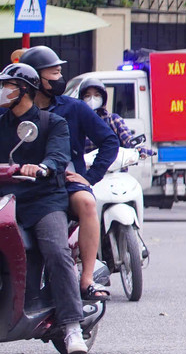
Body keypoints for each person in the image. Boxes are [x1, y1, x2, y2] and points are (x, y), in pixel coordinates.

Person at [0, 63, 86, 354]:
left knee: (55, 249)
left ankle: (73, 324)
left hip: (42, 201)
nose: (3, 91)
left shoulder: (53, 123)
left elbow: (59, 157)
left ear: (24, 90)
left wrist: (43, 168)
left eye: (8, 86)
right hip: (5, 202)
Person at [21, 46, 117, 300]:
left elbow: (109, 141)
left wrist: (90, 177)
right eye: (53, 73)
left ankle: (86, 281)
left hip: (65, 183)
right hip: (22, 184)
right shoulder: (14, 111)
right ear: (33, 79)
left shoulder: (74, 108)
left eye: (59, 72)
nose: (59, 78)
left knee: (86, 202)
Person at [78, 78, 154, 158]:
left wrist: (140, 149)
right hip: (89, 168)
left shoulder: (113, 120)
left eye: (97, 95)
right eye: (87, 96)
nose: (92, 99)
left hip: (114, 168)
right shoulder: (78, 122)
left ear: (103, 98)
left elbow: (128, 139)